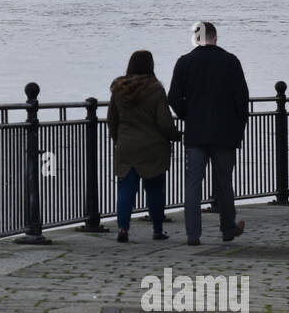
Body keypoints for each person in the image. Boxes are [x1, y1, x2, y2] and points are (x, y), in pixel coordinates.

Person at [167, 21, 250, 246]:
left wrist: (188, 116)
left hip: (196, 134)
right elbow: (242, 99)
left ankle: (193, 235)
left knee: (193, 184)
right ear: (215, 37)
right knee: (224, 182)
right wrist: (237, 125)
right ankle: (227, 229)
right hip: (225, 134)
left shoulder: (184, 63)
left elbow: (173, 98)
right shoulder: (230, 61)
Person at [107, 49, 180, 243]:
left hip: (127, 146)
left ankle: (123, 228)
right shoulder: (155, 89)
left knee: (126, 190)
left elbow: (111, 119)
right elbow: (164, 122)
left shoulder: (118, 88)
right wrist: (175, 136)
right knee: (155, 190)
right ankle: (157, 229)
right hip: (153, 148)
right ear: (151, 65)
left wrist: (118, 139)